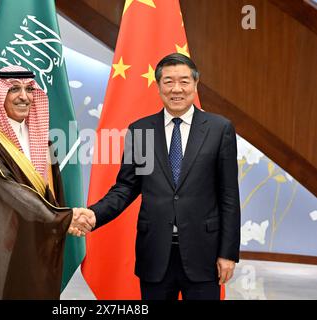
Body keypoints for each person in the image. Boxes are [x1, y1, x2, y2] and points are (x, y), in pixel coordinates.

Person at [71, 53, 241, 300]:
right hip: (155, 253)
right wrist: (94, 213)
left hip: (203, 253)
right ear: (158, 86)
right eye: (168, 81)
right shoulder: (141, 130)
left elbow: (228, 196)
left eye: (184, 81)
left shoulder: (219, 129)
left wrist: (228, 253)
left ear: (195, 84)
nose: (176, 89)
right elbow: (126, 187)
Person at [0, 65, 73, 299]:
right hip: (1, 249)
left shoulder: (45, 142)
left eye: (29, 89)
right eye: (14, 89)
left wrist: (63, 220)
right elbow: (8, 189)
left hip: (37, 242)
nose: (24, 96)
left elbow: (53, 193)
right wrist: (64, 218)